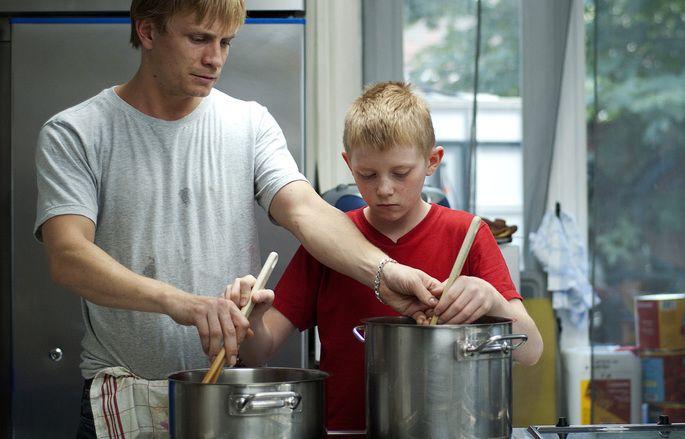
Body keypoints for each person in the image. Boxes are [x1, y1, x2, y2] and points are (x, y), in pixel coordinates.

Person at [33, 2, 442, 437]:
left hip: (229, 399)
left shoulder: (248, 124)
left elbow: (304, 210)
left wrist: (386, 271)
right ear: (148, 32)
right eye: (199, 39)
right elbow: (69, 255)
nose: (216, 58)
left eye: (225, 42)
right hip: (124, 392)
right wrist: (180, 302)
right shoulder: (76, 132)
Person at [227, 81, 544, 433]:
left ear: (432, 161)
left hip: (449, 429)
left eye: (400, 173)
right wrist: (251, 322)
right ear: (349, 165)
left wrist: (493, 300)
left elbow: (531, 352)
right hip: (345, 430)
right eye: (368, 175)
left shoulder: (467, 234)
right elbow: (259, 352)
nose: (384, 189)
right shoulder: (329, 240)